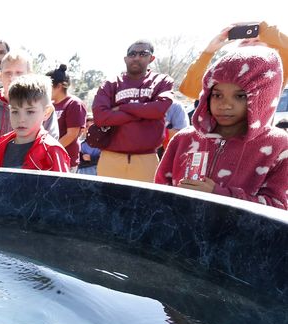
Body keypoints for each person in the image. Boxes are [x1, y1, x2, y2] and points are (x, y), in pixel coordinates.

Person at [155, 47, 288, 209]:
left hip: (239, 235)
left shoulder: (280, 147)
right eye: (217, 95)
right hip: (179, 233)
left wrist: (219, 194)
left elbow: (279, 207)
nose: (225, 105)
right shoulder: (184, 139)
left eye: (240, 96)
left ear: (263, 97)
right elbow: (159, 194)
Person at [92, 40, 174, 182]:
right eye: (132, 54)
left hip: (146, 159)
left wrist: (122, 108)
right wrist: (143, 112)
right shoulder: (111, 83)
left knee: (145, 204)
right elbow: (100, 117)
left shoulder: (162, 81)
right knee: (106, 203)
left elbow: (159, 109)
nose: (136, 57)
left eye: (143, 53)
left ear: (151, 58)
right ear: (125, 59)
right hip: (111, 157)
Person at [0, 51, 59, 166]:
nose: (13, 78)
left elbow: (50, 146)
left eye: (19, 73)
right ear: (0, 75)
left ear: (30, 74)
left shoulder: (44, 109)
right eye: (8, 73)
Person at [0, 74, 70, 172]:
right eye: (15, 112)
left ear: (46, 112)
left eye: (30, 112)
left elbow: (63, 186)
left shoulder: (52, 150)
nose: (21, 119)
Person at [179, 22, 288, 100]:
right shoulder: (224, 75)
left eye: (257, 41)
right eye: (244, 42)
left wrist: (263, 28)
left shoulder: (276, 73)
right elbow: (190, 90)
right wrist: (208, 52)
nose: (250, 44)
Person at [46, 64, 87, 172]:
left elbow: (71, 135)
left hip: (65, 160)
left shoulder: (74, 104)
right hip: (48, 159)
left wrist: (49, 150)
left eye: (47, 87)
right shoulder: (50, 104)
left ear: (59, 86)